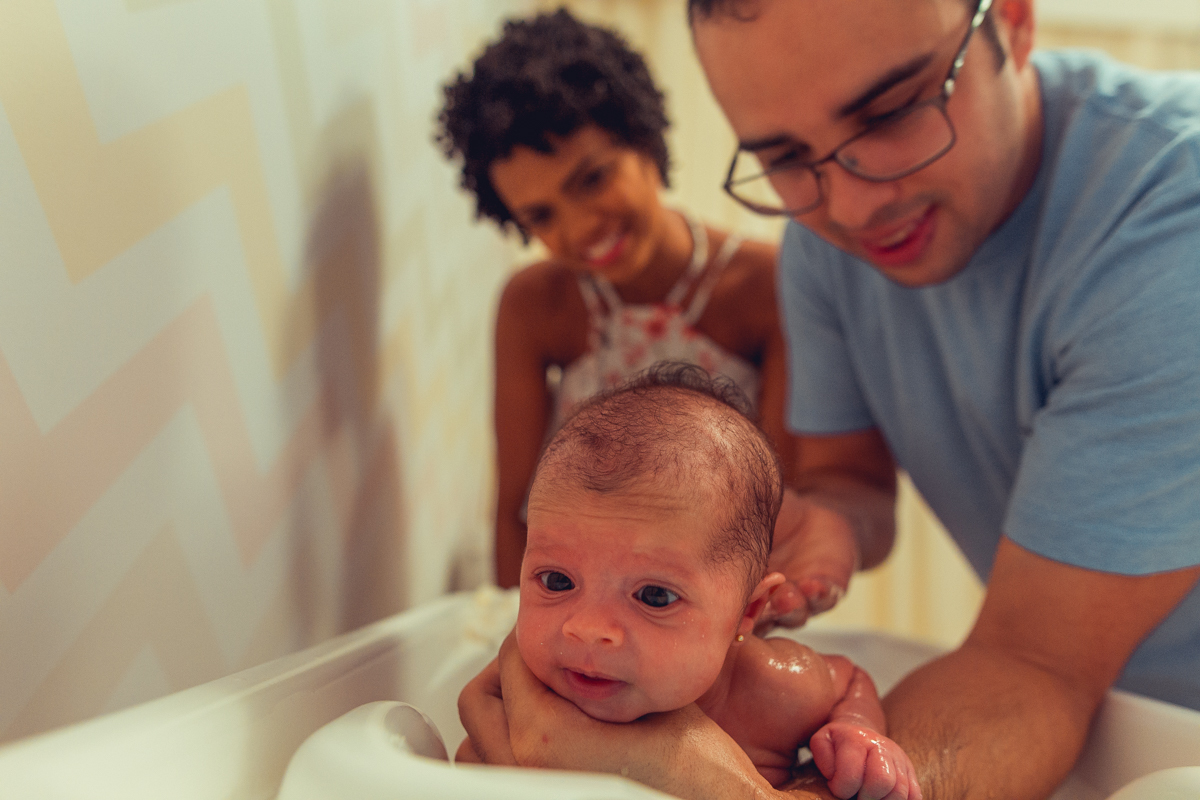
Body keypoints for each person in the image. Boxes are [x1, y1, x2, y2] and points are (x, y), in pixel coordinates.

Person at [460, 1, 1200, 798]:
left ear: (1013, 20)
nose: (848, 208)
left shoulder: (1170, 232)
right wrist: (833, 522)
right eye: (782, 156)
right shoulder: (822, 246)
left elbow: (1037, 659)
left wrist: (724, 783)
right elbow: (847, 471)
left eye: (889, 112)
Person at [436, 9, 798, 590]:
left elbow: (778, 513)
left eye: (592, 179)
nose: (579, 228)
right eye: (542, 216)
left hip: (714, 602)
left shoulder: (764, 287)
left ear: (645, 137)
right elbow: (513, 511)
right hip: (573, 604)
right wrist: (516, 639)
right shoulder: (535, 305)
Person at [456, 364, 921, 800]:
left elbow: (849, 680)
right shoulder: (532, 683)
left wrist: (858, 730)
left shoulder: (772, 692)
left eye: (654, 596)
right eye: (556, 581)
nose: (587, 627)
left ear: (748, 612)